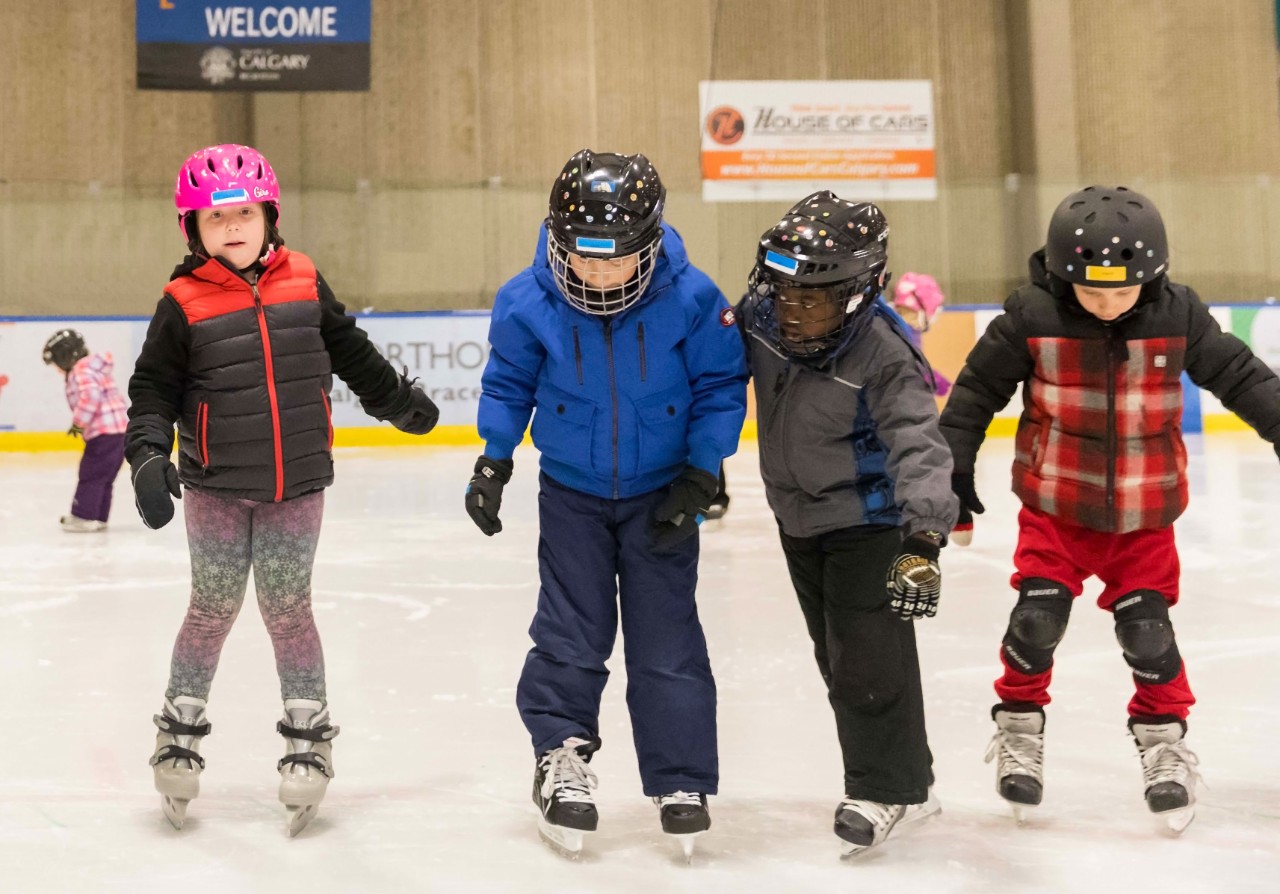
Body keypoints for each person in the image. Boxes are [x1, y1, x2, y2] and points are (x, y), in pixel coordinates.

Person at [939, 185, 1280, 833]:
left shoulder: (1178, 315)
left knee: (1147, 632)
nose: (1105, 305)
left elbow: (1243, 378)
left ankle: (1164, 741)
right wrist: (952, 467)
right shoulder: (1031, 315)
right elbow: (976, 390)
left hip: (1145, 513)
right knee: (1036, 622)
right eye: (1091, 294)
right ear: (1063, 276)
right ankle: (1019, 725)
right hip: (1056, 507)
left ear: (1150, 278)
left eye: (1120, 294)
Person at [125, 144, 438, 835]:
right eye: (214, 218)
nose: (231, 227)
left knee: (288, 609)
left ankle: (307, 741)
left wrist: (395, 402)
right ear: (192, 230)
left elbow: (349, 351)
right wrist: (147, 456)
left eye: (242, 213)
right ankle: (179, 729)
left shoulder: (304, 280)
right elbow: (151, 389)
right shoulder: (182, 302)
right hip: (214, 486)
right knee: (211, 607)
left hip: (296, 485)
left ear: (268, 214)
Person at [466, 148, 747, 860]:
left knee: (667, 636)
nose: (597, 273)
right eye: (582, 258)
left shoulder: (692, 299)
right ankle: (561, 756)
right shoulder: (527, 301)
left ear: (648, 245)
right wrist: (494, 460)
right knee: (570, 628)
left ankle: (681, 778)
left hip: (663, 494)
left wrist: (702, 472)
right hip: (571, 494)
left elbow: (720, 387)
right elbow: (506, 384)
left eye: (615, 258)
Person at [736, 191, 957, 856]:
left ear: (859, 293)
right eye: (783, 293)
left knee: (865, 660)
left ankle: (884, 789)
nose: (793, 311)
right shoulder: (760, 322)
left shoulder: (885, 353)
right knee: (844, 659)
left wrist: (923, 538)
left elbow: (919, 443)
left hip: (870, 521)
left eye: (815, 298)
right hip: (798, 519)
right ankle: (908, 779)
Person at [42, 329, 128, 532]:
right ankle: (99, 516)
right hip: (119, 432)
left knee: (91, 473)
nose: (58, 369)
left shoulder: (81, 370)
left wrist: (78, 423)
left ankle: (84, 516)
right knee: (104, 477)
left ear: (65, 356)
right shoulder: (91, 368)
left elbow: (90, 396)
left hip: (104, 433)